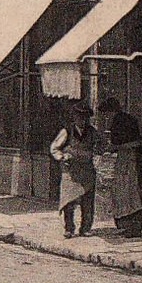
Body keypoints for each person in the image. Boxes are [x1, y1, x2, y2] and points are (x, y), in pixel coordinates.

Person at [99, 98, 142, 235]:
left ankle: (135, 227)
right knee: (127, 192)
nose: (106, 117)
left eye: (106, 114)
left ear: (112, 111)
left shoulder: (119, 121)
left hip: (131, 160)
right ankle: (130, 226)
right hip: (131, 159)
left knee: (131, 193)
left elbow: (125, 143)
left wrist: (112, 148)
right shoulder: (124, 119)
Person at [50, 102, 103, 238]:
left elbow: (100, 147)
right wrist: (62, 156)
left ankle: (85, 228)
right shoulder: (67, 131)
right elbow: (54, 148)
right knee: (69, 201)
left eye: (85, 117)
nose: (82, 120)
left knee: (87, 201)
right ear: (74, 117)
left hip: (86, 170)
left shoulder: (92, 132)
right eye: (79, 117)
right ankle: (69, 228)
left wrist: (97, 155)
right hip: (71, 171)